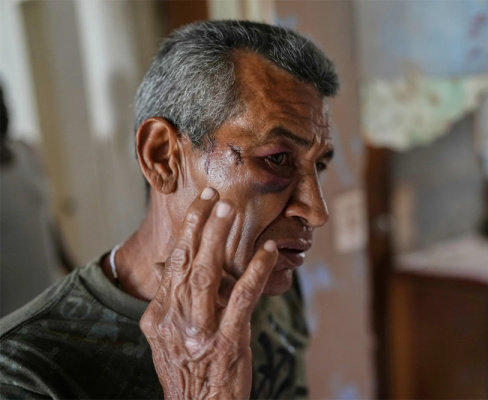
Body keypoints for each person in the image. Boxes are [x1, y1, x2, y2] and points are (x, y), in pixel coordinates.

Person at [0, 20, 338, 399]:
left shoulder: (271, 281)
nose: (316, 211)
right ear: (162, 157)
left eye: (319, 165)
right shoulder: (21, 375)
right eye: (276, 158)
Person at [0, 85, 75, 317]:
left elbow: (48, 221)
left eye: (3, 100)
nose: (4, 110)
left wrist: (77, 275)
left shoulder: (27, 152)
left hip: (48, 304)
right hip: (10, 320)